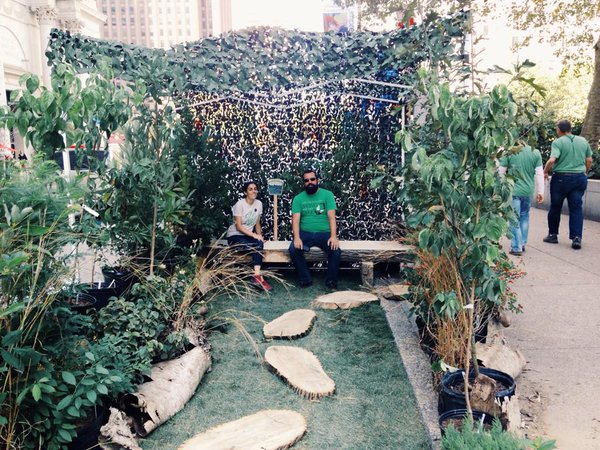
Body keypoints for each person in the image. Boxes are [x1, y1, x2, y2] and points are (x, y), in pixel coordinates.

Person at [543, 120, 593, 250]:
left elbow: (552, 159)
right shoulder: (583, 141)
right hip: (579, 178)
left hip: (561, 179)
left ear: (559, 130)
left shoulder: (557, 142)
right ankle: (576, 238)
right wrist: (585, 172)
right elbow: (589, 160)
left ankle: (553, 235)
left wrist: (545, 170)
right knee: (576, 207)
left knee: (555, 207)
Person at [289, 169, 341, 289]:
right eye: (306, 180)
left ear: (317, 180)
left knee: (335, 250)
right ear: (304, 183)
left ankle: (331, 281)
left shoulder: (327, 195)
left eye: (312, 179)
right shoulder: (298, 198)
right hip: (305, 233)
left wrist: (333, 236)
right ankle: (305, 279)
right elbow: (295, 220)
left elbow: (332, 217)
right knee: (293, 249)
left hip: (324, 233)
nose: (310, 182)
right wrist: (296, 238)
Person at [499, 142, 544, 255]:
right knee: (524, 216)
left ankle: (516, 247)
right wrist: (541, 192)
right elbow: (539, 173)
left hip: (513, 190)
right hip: (528, 191)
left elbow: (501, 172)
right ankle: (522, 243)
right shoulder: (535, 152)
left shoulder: (509, 152)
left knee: (514, 218)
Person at [226, 181, 272, 291]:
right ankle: (258, 278)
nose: (253, 191)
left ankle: (256, 276)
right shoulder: (240, 204)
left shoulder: (259, 204)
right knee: (255, 247)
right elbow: (239, 227)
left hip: (247, 235)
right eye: (250, 189)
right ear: (245, 192)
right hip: (234, 236)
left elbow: (257, 223)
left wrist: (259, 236)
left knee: (259, 243)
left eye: (255, 188)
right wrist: (254, 235)